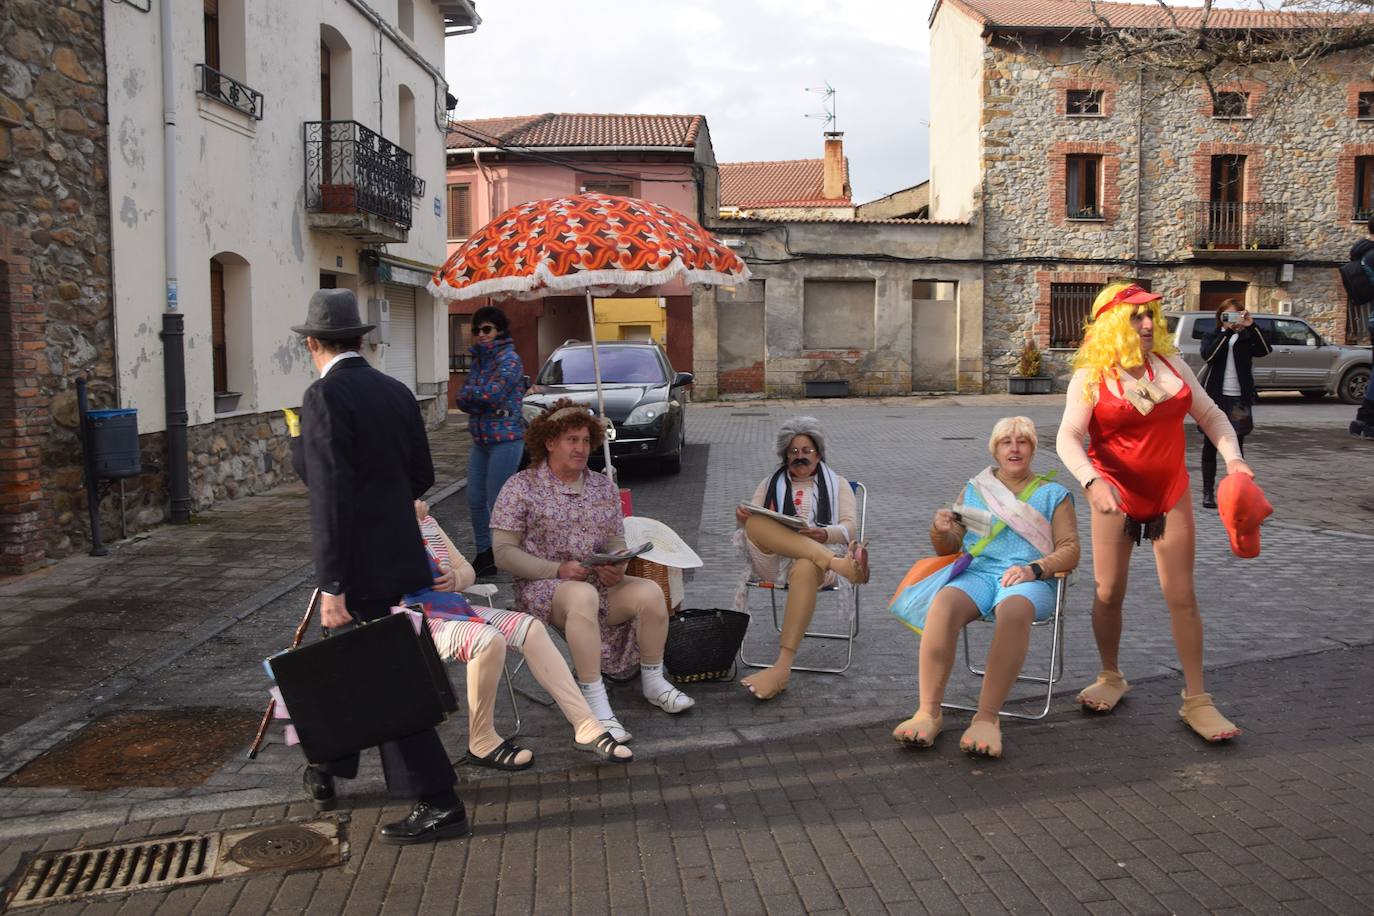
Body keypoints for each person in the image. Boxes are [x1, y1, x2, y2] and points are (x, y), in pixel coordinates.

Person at [289, 289, 468, 845]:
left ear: (313, 343)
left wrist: (333, 585)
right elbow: (420, 476)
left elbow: (329, 499)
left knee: (386, 684)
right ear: (361, 339)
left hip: (358, 568)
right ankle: (327, 768)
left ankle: (439, 801)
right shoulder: (396, 392)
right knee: (355, 671)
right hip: (400, 557)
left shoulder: (322, 397)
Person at [1055, 281, 1254, 743]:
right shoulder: (1092, 375)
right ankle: (1110, 675)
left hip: (1169, 491)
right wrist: (1091, 480)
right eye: (1136, 318)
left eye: (1151, 317)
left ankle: (1198, 700)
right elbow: (1067, 436)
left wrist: (1235, 460)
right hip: (1114, 494)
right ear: (1112, 324)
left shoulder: (1172, 364)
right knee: (1108, 593)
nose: (1148, 325)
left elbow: (1213, 416)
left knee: (1181, 595)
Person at [489, 399, 693, 742]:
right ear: (549, 442)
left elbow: (615, 539)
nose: (581, 448)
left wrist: (618, 563)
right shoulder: (521, 487)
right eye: (572, 439)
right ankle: (594, 701)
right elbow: (503, 554)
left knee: (650, 592)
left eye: (586, 440)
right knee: (581, 594)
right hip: (544, 587)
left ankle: (654, 681)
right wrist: (557, 570)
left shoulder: (602, 487)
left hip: (597, 582)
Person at [891, 417, 1079, 758]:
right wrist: (940, 529)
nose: (1015, 448)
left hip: (1028, 578)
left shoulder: (1054, 494)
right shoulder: (977, 489)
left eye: (1022, 441)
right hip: (979, 573)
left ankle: (987, 718)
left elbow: (1070, 549)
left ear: (1033, 449)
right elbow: (950, 548)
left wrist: (1034, 569)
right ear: (995, 449)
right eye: (1006, 442)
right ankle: (928, 712)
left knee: (1013, 611)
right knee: (943, 604)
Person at [403, 501, 633, 768]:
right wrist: (408, 526)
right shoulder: (380, 529)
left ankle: (585, 724)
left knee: (530, 627)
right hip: (412, 620)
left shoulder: (428, 523)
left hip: (452, 609)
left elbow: (467, 571)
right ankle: (482, 740)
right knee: (486, 639)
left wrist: (455, 578)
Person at [734, 416, 870, 701]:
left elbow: (850, 528)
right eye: (793, 451)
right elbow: (754, 526)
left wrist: (824, 533)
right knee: (756, 524)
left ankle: (781, 668)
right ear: (785, 455)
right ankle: (842, 566)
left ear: (819, 453)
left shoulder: (838, 484)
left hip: (816, 563)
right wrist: (742, 517)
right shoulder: (770, 482)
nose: (800, 457)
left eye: (806, 450)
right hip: (773, 560)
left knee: (808, 565)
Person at [455, 306, 525, 575]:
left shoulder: (510, 359)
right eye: (477, 331)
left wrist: (475, 396)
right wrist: (475, 396)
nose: (481, 335)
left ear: (499, 331)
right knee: (474, 497)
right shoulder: (479, 360)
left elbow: (492, 395)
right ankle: (485, 554)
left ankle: (510, 553)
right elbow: (461, 398)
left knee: (499, 501)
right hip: (481, 439)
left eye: (487, 329)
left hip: (506, 438)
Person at [1198, 299, 1270, 508]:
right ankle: (1207, 492)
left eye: (1236, 315)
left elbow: (1265, 349)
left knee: (1237, 445)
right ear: (1220, 317)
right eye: (1227, 315)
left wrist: (1251, 326)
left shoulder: (1247, 336)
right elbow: (1209, 356)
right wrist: (1227, 332)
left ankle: (1238, 491)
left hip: (1239, 399)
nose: (1232, 319)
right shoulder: (1213, 335)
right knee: (1210, 445)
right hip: (1216, 398)